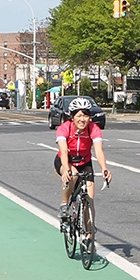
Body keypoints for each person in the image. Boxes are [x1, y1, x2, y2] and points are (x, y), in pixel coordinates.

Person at [55, 97, 112, 230]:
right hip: (66, 160)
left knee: (89, 203)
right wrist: (66, 170)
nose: (82, 119)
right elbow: (63, 150)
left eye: (85, 115)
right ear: (72, 117)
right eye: (79, 115)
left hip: (85, 162)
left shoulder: (93, 128)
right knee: (73, 175)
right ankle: (64, 205)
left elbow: (98, 150)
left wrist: (104, 169)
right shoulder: (65, 128)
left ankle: (89, 235)